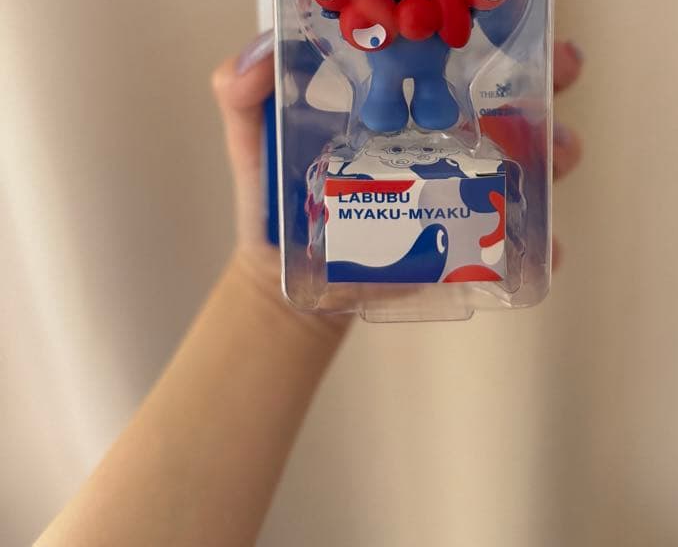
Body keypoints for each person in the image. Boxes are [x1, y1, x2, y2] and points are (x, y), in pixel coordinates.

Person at [36, 33, 584, 547]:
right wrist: (272, 286)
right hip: (380, 84)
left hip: (433, 83)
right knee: (388, 95)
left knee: (429, 97)